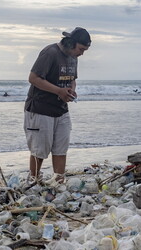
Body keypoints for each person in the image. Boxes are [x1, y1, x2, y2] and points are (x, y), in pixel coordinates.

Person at [24, 27, 91, 183]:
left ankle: (59, 181)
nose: (82, 53)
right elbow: (33, 78)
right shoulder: (50, 53)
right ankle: (33, 180)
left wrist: (71, 91)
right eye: (81, 49)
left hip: (61, 110)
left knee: (61, 148)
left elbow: (72, 79)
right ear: (70, 43)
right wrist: (59, 91)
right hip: (40, 109)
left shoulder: (74, 57)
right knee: (39, 150)